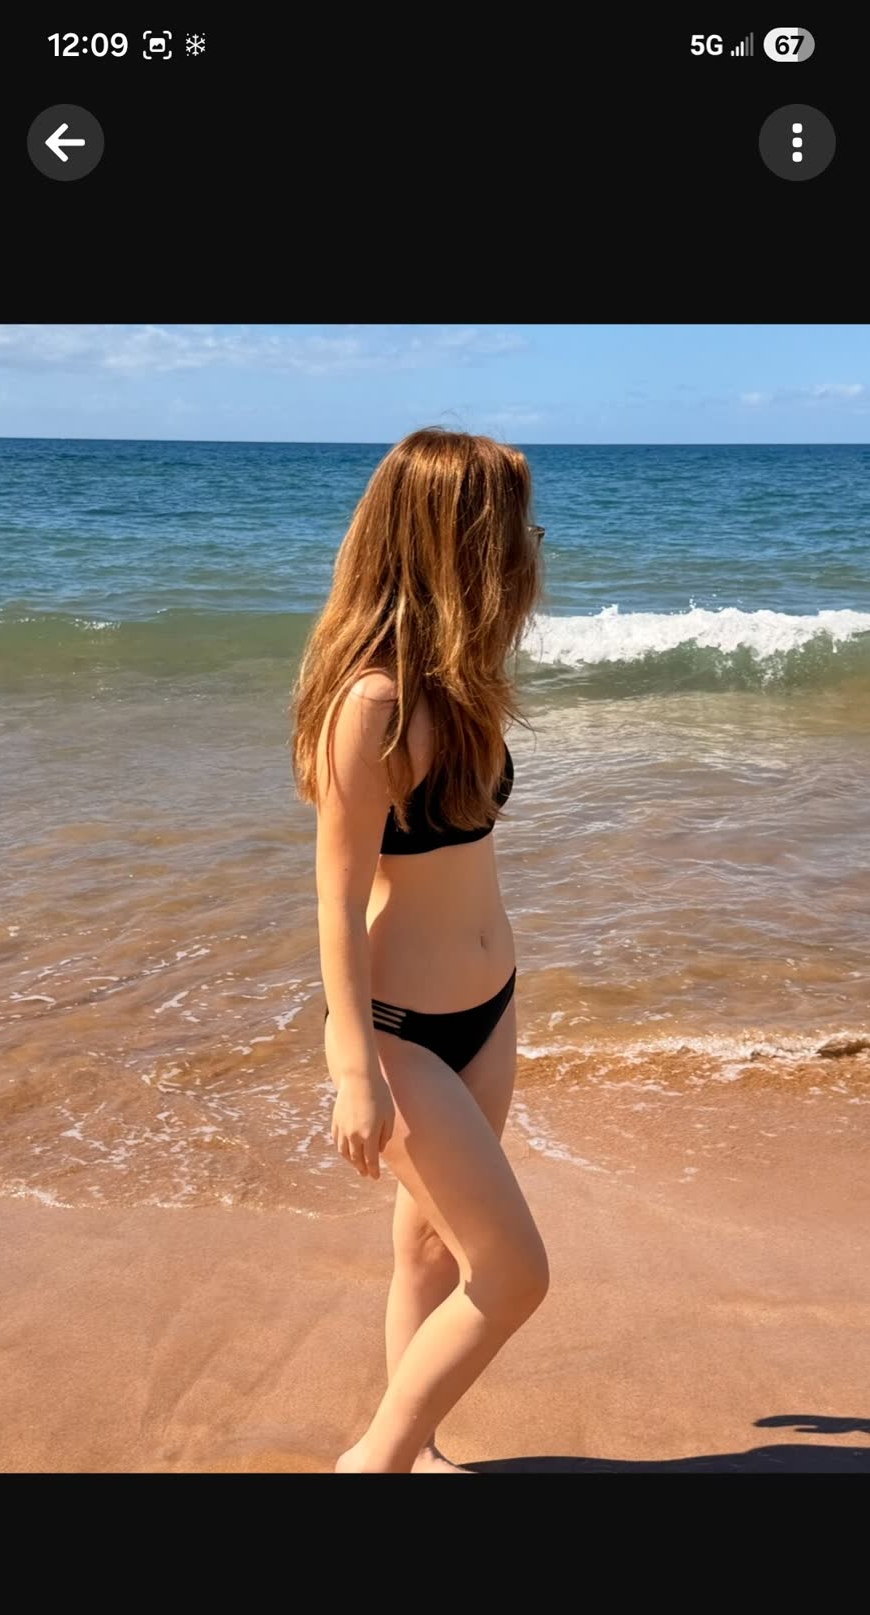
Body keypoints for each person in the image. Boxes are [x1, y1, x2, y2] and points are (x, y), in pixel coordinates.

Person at [291, 428, 549, 1472]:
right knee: (515, 1272)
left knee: (431, 1247)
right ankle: (376, 1463)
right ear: (459, 541)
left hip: (487, 1005)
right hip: (400, 1030)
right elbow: (336, 894)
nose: (531, 544)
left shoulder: (462, 679)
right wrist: (353, 1071)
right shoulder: (374, 704)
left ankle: (420, 1455)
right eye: (514, 526)